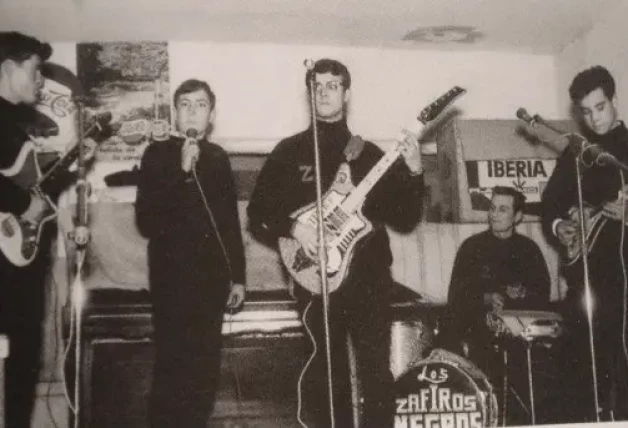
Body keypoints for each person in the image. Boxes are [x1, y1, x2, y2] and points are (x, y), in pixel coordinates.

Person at [247, 58, 424, 428]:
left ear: (347, 93)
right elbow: (257, 214)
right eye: (317, 86)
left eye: (333, 85)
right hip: (317, 281)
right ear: (309, 93)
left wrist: (414, 170)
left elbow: (405, 217)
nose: (324, 92)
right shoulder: (288, 152)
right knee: (329, 378)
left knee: (377, 374)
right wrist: (295, 229)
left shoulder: (371, 154)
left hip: (370, 280)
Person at [135, 78, 246, 428]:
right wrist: (182, 173)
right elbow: (147, 222)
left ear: (211, 115)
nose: (192, 111)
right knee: (172, 372)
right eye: (185, 104)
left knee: (203, 375)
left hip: (211, 284)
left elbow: (229, 222)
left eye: (200, 104)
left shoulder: (218, 158)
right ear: (176, 114)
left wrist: (239, 278)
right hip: (171, 284)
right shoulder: (156, 155)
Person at [541, 65, 628, 421]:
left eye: (601, 107)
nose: (595, 119)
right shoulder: (576, 153)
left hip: (624, 281)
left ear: (615, 100)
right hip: (585, 282)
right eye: (587, 112)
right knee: (581, 371)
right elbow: (549, 204)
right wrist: (560, 225)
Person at [446, 185, 551, 424]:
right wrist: (485, 298)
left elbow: (542, 295)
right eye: (492, 208)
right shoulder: (470, 248)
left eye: (502, 210)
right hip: (478, 341)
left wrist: (522, 293)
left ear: (517, 217)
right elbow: (456, 296)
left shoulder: (529, 250)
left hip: (521, 343)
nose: (493, 214)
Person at [0, 31, 54, 428]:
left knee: (22, 356)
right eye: (35, 71)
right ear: (8, 68)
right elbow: (23, 198)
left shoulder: (12, 124)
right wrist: (24, 205)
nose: (40, 82)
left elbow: (28, 187)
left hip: (15, 265)